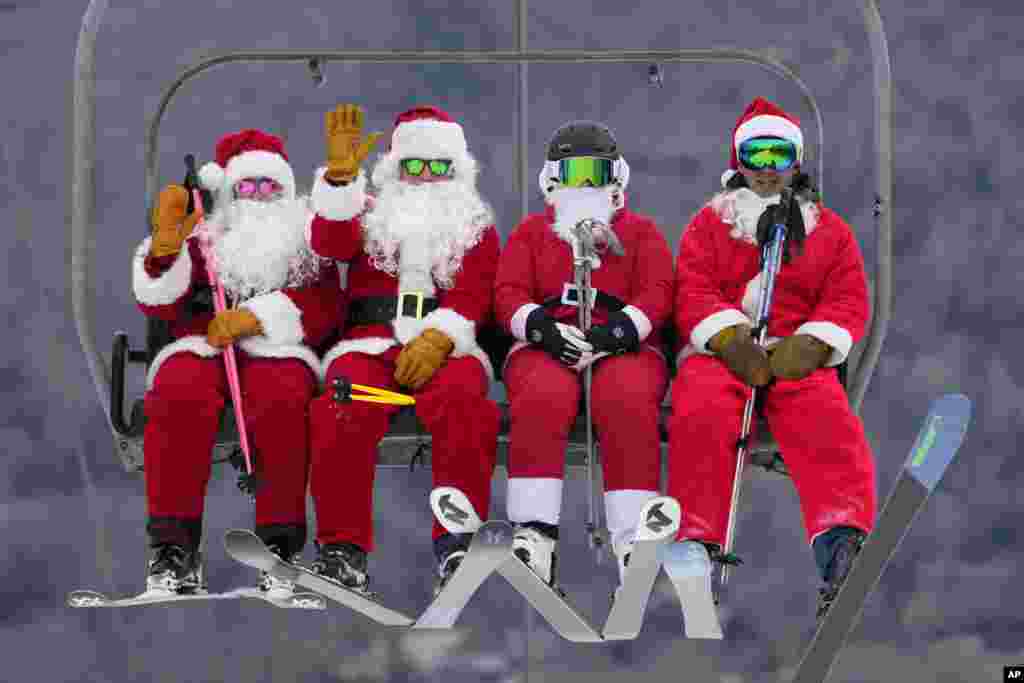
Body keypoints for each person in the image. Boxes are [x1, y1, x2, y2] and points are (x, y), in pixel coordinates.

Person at [667, 97, 877, 620]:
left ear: (795, 161)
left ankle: (840, 537)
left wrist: (812, 343)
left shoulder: (826, 231)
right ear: (737, 160)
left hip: (792, 355)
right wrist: (727, 337)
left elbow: (847, 296)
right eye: (754, 156)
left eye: (776, 155)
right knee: (703, 409)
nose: (765, 170)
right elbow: (692, 287)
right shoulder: (711, 225)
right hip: (724, 355)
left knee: (823, 414)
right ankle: (698, 534)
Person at [133, 128, 344, 596]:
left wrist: (257, 316)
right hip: (203, 344)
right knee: (178, 390)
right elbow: (158, 300)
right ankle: (174, 549)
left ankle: (280, 545)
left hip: (276, 345)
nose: (259, 197)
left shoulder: (303, 244)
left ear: (288, 192)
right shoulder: (202, 233)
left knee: (283, 394)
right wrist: (166, 249)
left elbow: (326, 305)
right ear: (229, 190)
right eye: (247, 187)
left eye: (271, 187)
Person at [304, 104, 501, 597]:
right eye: (415, 166)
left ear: (458, 170)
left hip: (446, 351)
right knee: (343, 404)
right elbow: (329, 244)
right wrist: (340, 179)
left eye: (440, 168)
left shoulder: (475, 227)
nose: (426, 179)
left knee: (463, 405)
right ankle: (342, 548)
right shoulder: (367, 217)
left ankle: (457, 539)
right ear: (394, 168)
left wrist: (439, 338)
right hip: (372, 345)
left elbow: (476, 293)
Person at [493, 120, 674, 589]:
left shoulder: (640, 234)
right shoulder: (534, 234)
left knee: (626, 396)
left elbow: (657, 291)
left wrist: (619, 331)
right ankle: (534, 531)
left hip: (620, 344)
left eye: (597, 172)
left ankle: (633, 536)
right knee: (541, 394)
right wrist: (540, 328)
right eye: (575, 173)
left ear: (615, 176)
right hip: (549, 340)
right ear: (555, 178)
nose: (587, 184)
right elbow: (508, 291)